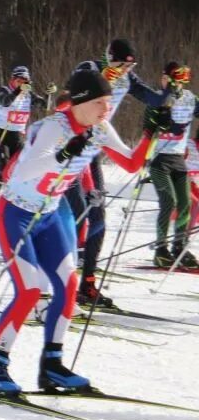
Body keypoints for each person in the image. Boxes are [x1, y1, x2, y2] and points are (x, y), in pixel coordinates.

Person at [0, 67, 153, 397]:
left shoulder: (99, 128)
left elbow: (132, 163)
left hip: (50, 212)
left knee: (69, 285)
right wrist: (63, 153)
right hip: (16, 211)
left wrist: (149, 133)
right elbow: (21, 173)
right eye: (101, 102)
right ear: (80, 102)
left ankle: (52, 366)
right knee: (30, 290)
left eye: (108, 102)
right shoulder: (52, 128)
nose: (107, 110)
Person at [67, 39, 167, 307]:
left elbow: (153, 98)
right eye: (121, 64)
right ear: (109, 58)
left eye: (130, 66)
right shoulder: (90, 67)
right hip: (72, 144)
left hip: (96, 143)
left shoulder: (127, 78)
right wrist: (100, 79)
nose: (124, 70)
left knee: (98, 219)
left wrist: (170, 94)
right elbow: (69, 97)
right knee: (77, 217)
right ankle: (56, 285)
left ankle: (87, 284)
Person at [145, 62, 198, 267]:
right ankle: (161, 249)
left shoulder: (190, 98)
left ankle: (179, 247)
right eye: (164, 78)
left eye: (169, 78)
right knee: (169, 201)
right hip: (159, 160)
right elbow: (147, 128)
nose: (165, 81)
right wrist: (158, 118)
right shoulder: (157, 99)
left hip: (178, 159)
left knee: (185, 203)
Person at [0, 66, 48, 216]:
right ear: (13, 80)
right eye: (19, 81)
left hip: (17, 137)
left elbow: (44, 105)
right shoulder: (3, 91)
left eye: (25, 81)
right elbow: (5, 102)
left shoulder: (28, 95)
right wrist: (19, 91)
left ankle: (16, 202)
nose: (21, 84)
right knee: (3, 168)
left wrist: (48, 94)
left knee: (20, 169)